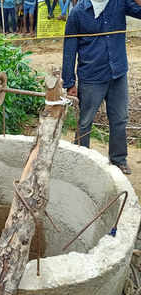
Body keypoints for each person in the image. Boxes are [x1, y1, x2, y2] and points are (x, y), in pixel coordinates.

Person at [62, 0, 141, 175]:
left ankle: (118, 159)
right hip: (91, 76)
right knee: (85, 122)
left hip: (117, 73)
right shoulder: (78, 12)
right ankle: (81, 159)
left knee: (120, 118)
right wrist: (69, 82)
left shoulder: (119, 3)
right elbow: (69, 49)